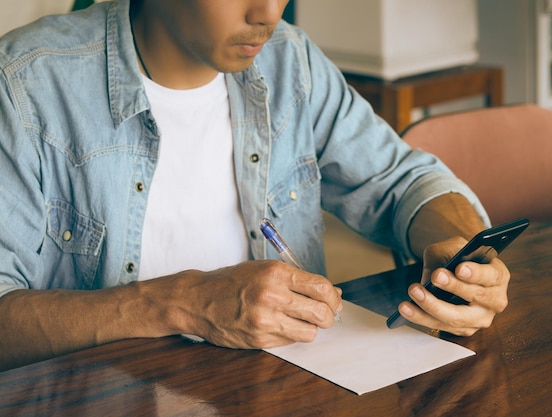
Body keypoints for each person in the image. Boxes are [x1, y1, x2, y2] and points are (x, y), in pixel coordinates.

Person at [0, 0, 510, 371]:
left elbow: (405, 181)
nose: (267, 12)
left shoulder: (289, 60)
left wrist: (461, 253)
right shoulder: (26, 83)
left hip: (281, 389)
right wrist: (182, 302)